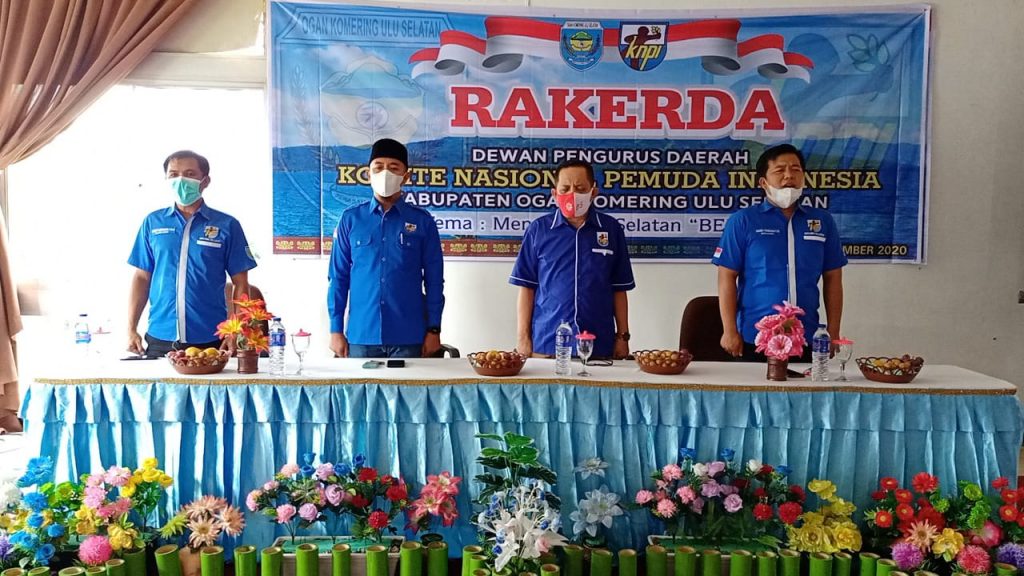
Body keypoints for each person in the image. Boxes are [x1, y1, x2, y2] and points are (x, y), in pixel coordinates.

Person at [713, 144, 847, 361]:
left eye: (795, 170)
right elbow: (726, 276)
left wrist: (833, 331)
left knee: (806, 385)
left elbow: (833, 278)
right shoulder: (743, 221)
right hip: (754, 338)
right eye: (779, 170)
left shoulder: (822, 221)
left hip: (806, 336)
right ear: (763, 182)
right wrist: (729, 330)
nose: (788, 176)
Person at [128, 150, 257, 358]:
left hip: (211, 338)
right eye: (173, 174)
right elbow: (142, 277)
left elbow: (241, 283)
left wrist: (235, 329)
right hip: (161, 336)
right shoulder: (153, 222)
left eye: (189, 174)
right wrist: (131, 329)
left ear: (205, 181)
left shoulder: (227, 225)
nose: (181, 180)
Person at [328, 138, 445, 359]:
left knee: (410, 385)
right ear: (368, 174)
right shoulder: (351, 220)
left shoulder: (423, 221)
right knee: (359, 386)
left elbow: (434, 281)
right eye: (378, 167)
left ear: (406, 176)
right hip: (362, 335)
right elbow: (338, 278)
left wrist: (434, 329)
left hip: (409, 336)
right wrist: (335, 330)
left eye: (393, 168)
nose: (385, 173)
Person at [510, 159, 635, 360]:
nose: (572, 194)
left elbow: (619, 288)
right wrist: (523, 338)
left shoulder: (611, 230)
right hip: (548, 343)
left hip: (599, 345)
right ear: (554, 193)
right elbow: (526, 287)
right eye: (565, 189)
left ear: (593, 192)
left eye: (580, 188)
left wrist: (623, 337)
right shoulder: (538, 230)